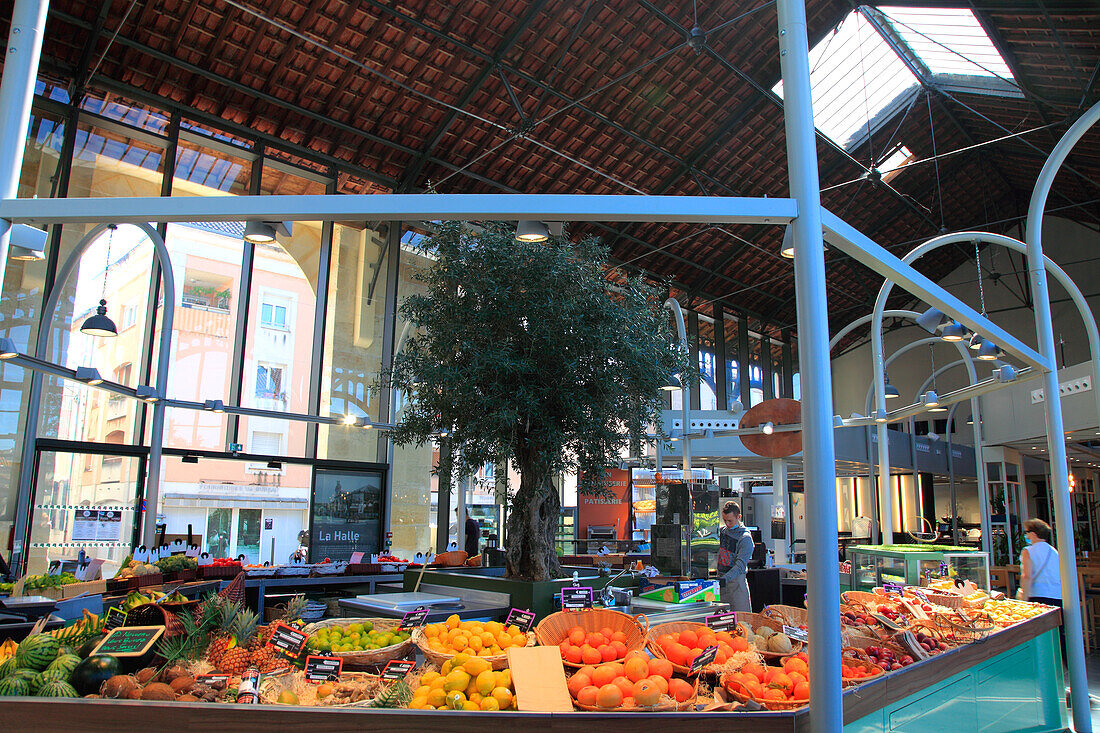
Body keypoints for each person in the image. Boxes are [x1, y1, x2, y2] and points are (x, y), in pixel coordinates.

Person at [1020, 518, 1064, 656]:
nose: (1026, 536)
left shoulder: (1029, 551)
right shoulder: (1054, 551)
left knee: (1038, 635)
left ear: (1033, 533)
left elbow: (1027, 576)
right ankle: (1061, 662)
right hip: (1057, 595)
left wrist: (1023, 599)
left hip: (1037, 595)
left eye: (1027, 532)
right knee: (1057, 634)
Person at [717, 501, 754, 612]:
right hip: (721, 583)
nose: (727, 524)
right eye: (725, 520)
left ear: (739, 517)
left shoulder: (745, 538)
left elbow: (740, 566)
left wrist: (724, 579)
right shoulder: (722, 532)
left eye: (730, 521)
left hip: (737, 585)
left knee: (741, 620)